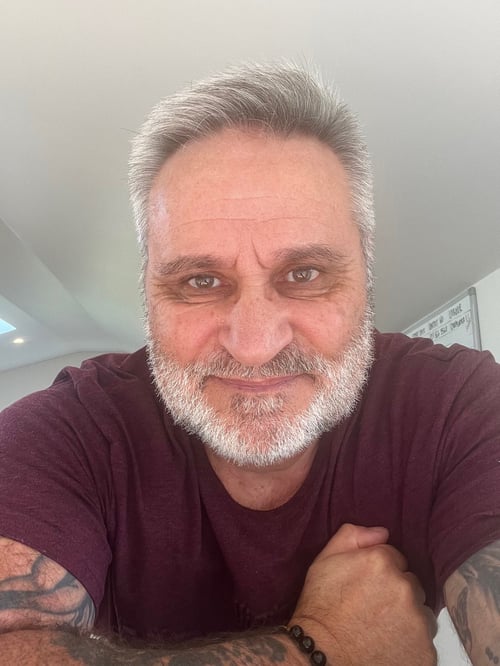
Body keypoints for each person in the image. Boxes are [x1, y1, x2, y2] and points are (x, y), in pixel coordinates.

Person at [0, 62, 499, 666]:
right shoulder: (67, 437)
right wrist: (328, 646)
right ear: (148, 293)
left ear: (365, 279)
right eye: (200, 280)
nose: (254, 345)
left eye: (304, 273)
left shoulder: (460, 407)